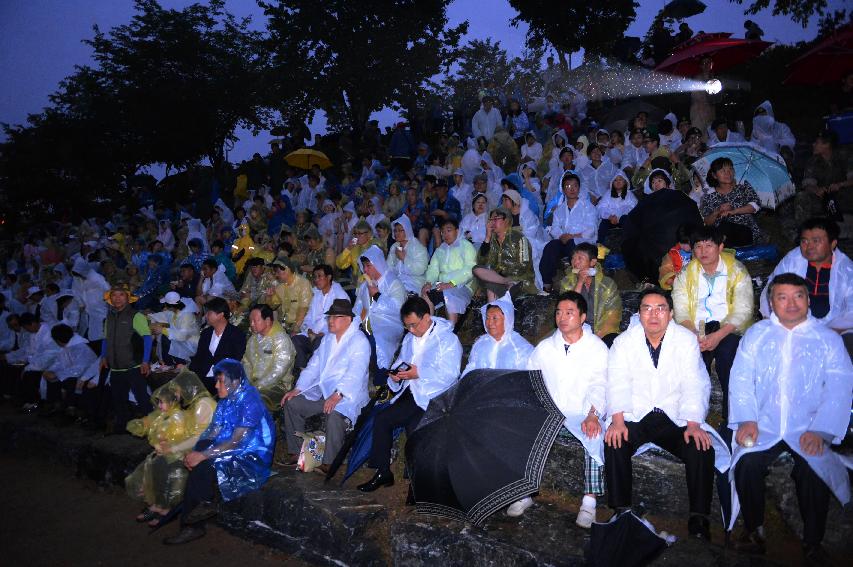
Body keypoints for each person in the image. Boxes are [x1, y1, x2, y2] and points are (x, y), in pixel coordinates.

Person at [729, 273, 853, 563]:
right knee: (747, 463)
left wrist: (822, 430)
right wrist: (747, 419)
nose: (791, 303)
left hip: (807, 426)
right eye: (782, 297)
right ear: (771, 302)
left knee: (813, 470)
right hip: (764, 424)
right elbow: (741, 380)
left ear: (808, 300)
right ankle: (754, 530)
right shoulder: (757, 335)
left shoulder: (826, 340)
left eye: (798, 296)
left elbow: (840, 386)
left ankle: (813, 541)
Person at [604, 288, 718, 541]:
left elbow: (695, 382)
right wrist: (618, 420)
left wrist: (693, 424)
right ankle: (621, 510)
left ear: (671, 313)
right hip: (638, 413)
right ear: (639, 314)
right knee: (614, 441)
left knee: (701, 448)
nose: (653, 315)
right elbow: (617, 381)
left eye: (660, 308)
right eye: (647, 308)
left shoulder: (685, 341)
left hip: (673, 416)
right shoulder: (624, 341)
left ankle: (699, 518)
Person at [163, 359, 274, 545]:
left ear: (235, 381)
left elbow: (237, 441)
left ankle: (192, 524)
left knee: (203, 465)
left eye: (220, 381)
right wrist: (196, 451)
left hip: (253, 452)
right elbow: (212, 431)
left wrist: (203, 455)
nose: (216, 385)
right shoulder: (226, 399)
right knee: (199, 456)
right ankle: (197, 510)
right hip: (235, 445)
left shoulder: (250, 400)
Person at [358, 296, 462, 493]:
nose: (411, 331)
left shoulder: (448, 339)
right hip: (412, 391)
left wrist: (419, 373)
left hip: (436, 396)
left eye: (414, 325)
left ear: (426, 317)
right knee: (382, 419)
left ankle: (418, 482)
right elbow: (402, 362)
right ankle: (383, 471)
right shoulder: (409, 338)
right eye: (407, 327)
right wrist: (397, 375)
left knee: (415, 428)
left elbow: (450, 375)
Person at [526, 291, 609, 527]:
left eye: (569, 312)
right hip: (550, 410)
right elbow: (532, 379)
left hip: (581, 411)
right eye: (559, 312)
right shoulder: (545, 348)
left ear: (582, 317)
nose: (562, 317)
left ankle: (589, 502)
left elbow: (600, 383)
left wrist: (593, 414)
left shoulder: (596, 348)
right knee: (521, 427)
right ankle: (524, 493)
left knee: (595, 434)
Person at [672, 226, 753, 423]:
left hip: (728, 327)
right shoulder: (686, 273)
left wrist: (718, 336)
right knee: (695, 360)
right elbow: (681, 307)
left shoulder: (736, 270)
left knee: (728, 359)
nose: (703, 251)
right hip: (697, 326)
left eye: (709, 245)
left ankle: (732, 418)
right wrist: (694, 333)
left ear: (720, 247)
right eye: (698, 246)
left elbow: (744, 308)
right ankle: (693, 417)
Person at [280, 299, 371, 473]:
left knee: (335, 414)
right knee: (292, 403)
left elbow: (355, 373)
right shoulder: (327, 339)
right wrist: (298, 388)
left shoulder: (359, 341)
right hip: (323, 392)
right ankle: (296, 452)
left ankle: (330, 463)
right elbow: (313, 366)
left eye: (337, 317)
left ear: (349, 319)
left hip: (347, 396)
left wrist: (338, 394)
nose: (331, 321)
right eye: (330, 316)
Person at [126, 371, 216, 527]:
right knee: (158, 462)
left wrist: (174, 448)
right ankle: (157, 504)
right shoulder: (195, 403)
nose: (177, 394)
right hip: (195, 447)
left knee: (167, 465)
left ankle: (165, 507)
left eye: (178, 390)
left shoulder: (203, 404)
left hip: (204, 450)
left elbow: (199, 437)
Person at [760, 218, 853, 353]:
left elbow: (851, 312)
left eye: (816, 241)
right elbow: (771, 291)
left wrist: (827, 334)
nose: (809, 247)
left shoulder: (847, 270)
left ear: (833, 244)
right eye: (804, 241)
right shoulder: (792, 261)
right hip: (792, 325)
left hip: (835, 329)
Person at [622, 168, 703, 283]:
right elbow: (635, 220)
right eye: (653, 183)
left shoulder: (678, 195)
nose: (656, 184)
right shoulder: (647, 201)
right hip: (653, 240)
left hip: (677, 237)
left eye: (659, 180)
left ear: (667, 183)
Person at [101, 283, 153, 433]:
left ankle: (154, 429)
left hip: (134, 365)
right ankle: (122, 427)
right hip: (116, 367)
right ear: (110, 299)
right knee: (118, 399)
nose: (117, 298)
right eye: (114, 295)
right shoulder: (109, 316)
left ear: (128, 298)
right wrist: (104, 356)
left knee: (142, 399)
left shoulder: (136, 316)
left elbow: (147, 339)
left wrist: (145, 361)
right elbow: (105, 338)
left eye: (121, 295)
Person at [540, 172, 598, 292]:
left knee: (572, 245)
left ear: (579, 188)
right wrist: (562, 236)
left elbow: (591, 229)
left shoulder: (588, 207)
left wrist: (572, 236)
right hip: (564, 240)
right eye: (568, 186)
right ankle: (546, 284)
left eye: (575, 186)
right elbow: (555, 228)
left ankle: (579, 282)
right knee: (551, 246)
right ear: (563, 189)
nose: (571, 189)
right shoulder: (559, 210)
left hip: (583, 241)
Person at [352, 245, 407, 373]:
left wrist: (377, 295)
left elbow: (398, 309)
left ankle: (380, 379)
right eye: (363, 266)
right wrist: (355, 322)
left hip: (389, 325)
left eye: (368, 266)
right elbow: (358, 307)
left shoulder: (393, 283)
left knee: (376, 342)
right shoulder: (365, 284)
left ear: (378, 264)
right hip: (366, 323)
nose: (365, 270)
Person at [557, 243, 622, 346]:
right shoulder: (566, 283)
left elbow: (613, 313)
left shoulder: (607, 284)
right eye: (573, 258)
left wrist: (599, 335)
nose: (575, 262)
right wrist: (579, 282)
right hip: (575, 331)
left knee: (613, 341)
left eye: (580, 258)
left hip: (601, 333)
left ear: (592, 262)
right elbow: (566, 310)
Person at [291, 264, 349, 370]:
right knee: (295, 340)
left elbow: (340, 323)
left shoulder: (340, 296)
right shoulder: (317, 294)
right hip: (312, 334)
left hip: (330, 335)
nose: (316, 279)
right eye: (315, 277)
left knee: (320, 342)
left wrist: (321, 333)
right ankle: (302, 371)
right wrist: (308, 329)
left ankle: (317, 373)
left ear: (329, 277)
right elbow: (309, 316)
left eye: (319, 276)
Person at [461, 292, 533, 377]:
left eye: (495, 318)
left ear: (507, 320)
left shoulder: (521, 348)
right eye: (487, 318)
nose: (490, 323)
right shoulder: (480, 343)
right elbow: (470, 369)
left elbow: (525, 379)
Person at [473, 207, 537, 301]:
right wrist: (487, 237)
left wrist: (503, 273)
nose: (492, 223)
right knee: (476, 269)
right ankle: (503, 284)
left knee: (493, 287)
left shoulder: (519, 238)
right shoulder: (492, 240)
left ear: (506, 220)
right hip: (499, 279)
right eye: (491, 220)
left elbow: (524, 264)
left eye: (495, 219)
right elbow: (482, 262)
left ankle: (506, 285)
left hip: (519, 279)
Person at [422, 218, 478, 324]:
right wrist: (429, 282)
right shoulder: (440, 250)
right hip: (442, 285)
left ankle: (451, 331)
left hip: (462, 286)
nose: (445, 234)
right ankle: (428, 327)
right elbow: (433, 268)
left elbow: (470, 270)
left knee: (448, 295)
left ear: (457, 231)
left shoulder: (466, 246)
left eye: (449, 230)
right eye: (443, 232)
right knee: (425, 293)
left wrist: (451, 283)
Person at [242, 304, 296, 413]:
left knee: (251, 402)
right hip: (254, 384)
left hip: (277, 386)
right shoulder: (253, 339)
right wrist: (248, 383)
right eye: (250, 320)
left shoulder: (281, 339)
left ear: (267, 321)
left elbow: (279, 370)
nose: (252, 324)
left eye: (256, 320)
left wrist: (257, 386)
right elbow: (246, 362)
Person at [188, 297, 247, 394]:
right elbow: (199, 356)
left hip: (223, 380)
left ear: (221, 315)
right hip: (203, 377)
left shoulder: (236, 334)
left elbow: (235, 360)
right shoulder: (206, 333)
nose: (206, 316)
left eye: (209, 313)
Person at [700, 157, 763, 247]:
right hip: (721, 234)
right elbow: (707, 222)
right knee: (721, 228)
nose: (728, 173)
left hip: (745, 230)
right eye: (723, 171)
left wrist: (732, 212)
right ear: (714, 175)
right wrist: (718, 211)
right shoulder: (709, 196)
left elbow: (755, 206)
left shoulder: (742, 186)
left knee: (727, 228)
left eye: (730, 169)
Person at [266, 258, 312, 335]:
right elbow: (272, 306)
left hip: (301, 327)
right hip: (284, 325)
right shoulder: (280, 286)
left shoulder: (303, 283)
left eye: (278, 272)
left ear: (287, 270)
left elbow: (304, 309)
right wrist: (269, 297)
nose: (276, 275)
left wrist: (296, 328)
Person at [153, 291, 200, 365]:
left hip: (189, 345)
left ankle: (170, 364)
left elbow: (182, 336)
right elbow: (161, 316)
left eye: (166, 305)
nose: (164, 307)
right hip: (181, 342)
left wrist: (162, 330)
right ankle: (167, 364)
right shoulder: (174, 312)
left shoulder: (187, 315)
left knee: (165, 337)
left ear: (171, 306)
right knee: (164, 335)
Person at [386, 215, 429, 295]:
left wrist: (404, 258)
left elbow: (420, 270)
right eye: (395, 231)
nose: (396, 233)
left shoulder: (417, 246)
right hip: (397, 281)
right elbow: (388, 268)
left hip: (414, 282)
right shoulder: (394, 246)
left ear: (407, 230)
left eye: (400, 230)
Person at [596, 170, 637, 244]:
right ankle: (600, 249)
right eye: (615, 180)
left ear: (625, 182)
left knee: (626, 219)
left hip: (623, 219)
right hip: (610, 219)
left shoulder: (630, 195)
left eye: (620, 179)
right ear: (612, 183)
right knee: (603, 223)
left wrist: (619, 217)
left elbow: (633, 208)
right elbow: (600, 207)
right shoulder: (608, 194)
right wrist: (609, 216)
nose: (618, 182)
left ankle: (631, 244)